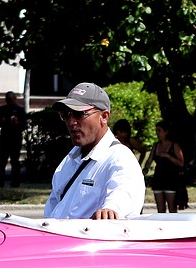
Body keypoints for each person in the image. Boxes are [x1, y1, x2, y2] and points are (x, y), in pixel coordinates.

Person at [44, 83, 144, 219]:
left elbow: (122, 196)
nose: (71, 121)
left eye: (79, 113)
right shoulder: (70, 159)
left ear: (104, 117)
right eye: (66, 114)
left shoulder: (120, 159)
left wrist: (110, 210)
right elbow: (53, 209)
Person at [148, 122, 185, 213]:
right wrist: (145, 169)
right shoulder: (156, 146)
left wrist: (168, 156)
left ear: (166, 132)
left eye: (159, 131)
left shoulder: (174, 146)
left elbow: (181, 163)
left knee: (172, 207)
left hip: (170, 179)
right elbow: (149, 160)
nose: (157, 133)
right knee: (160, 209)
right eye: (156, 130)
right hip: (158, 178)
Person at [0, 91, 27, 187]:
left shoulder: (20, 110)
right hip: (5, 138)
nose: (9, 101)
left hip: (15, 138)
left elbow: (24, 125)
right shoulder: (2, 109)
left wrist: (17, 122)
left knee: (15, 162)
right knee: (2, 162)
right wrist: (4, 120)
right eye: (7, 99)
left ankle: (15, 183)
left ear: (15, 99)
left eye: (11, 99)